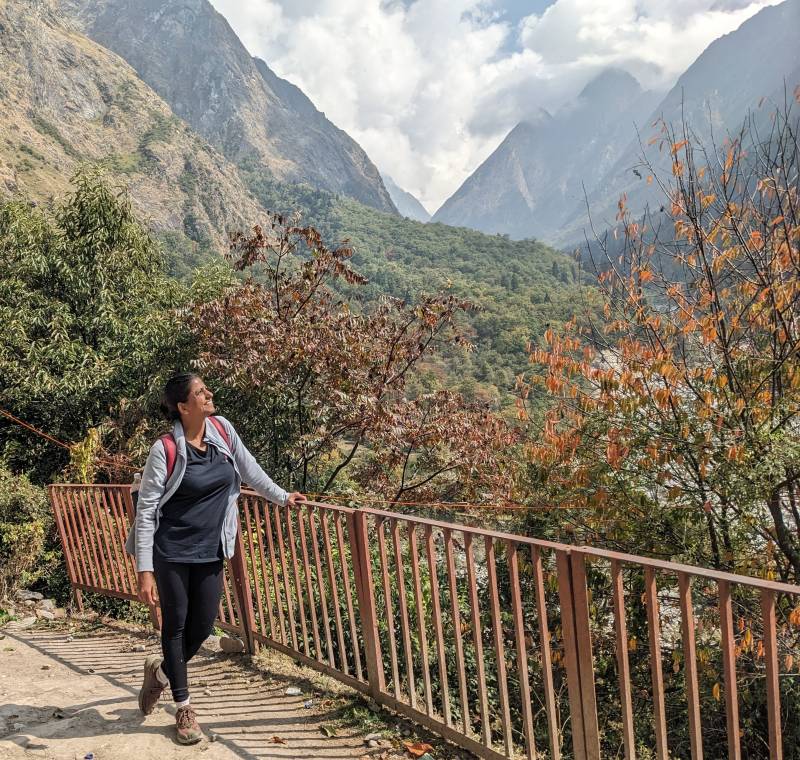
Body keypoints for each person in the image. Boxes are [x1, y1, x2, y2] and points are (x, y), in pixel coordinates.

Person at [129, 373, 305, 744]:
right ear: (183, 406)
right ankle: (184, 708)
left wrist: (283, 496)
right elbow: (146, 512)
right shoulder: (165, 449)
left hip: (211, 548)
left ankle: (159, 676)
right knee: (175, 626)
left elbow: (249, 469)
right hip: (171, 550)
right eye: (200, 392)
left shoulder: (222, 431)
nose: (208, 394)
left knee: (204, 626)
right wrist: (144, 569)